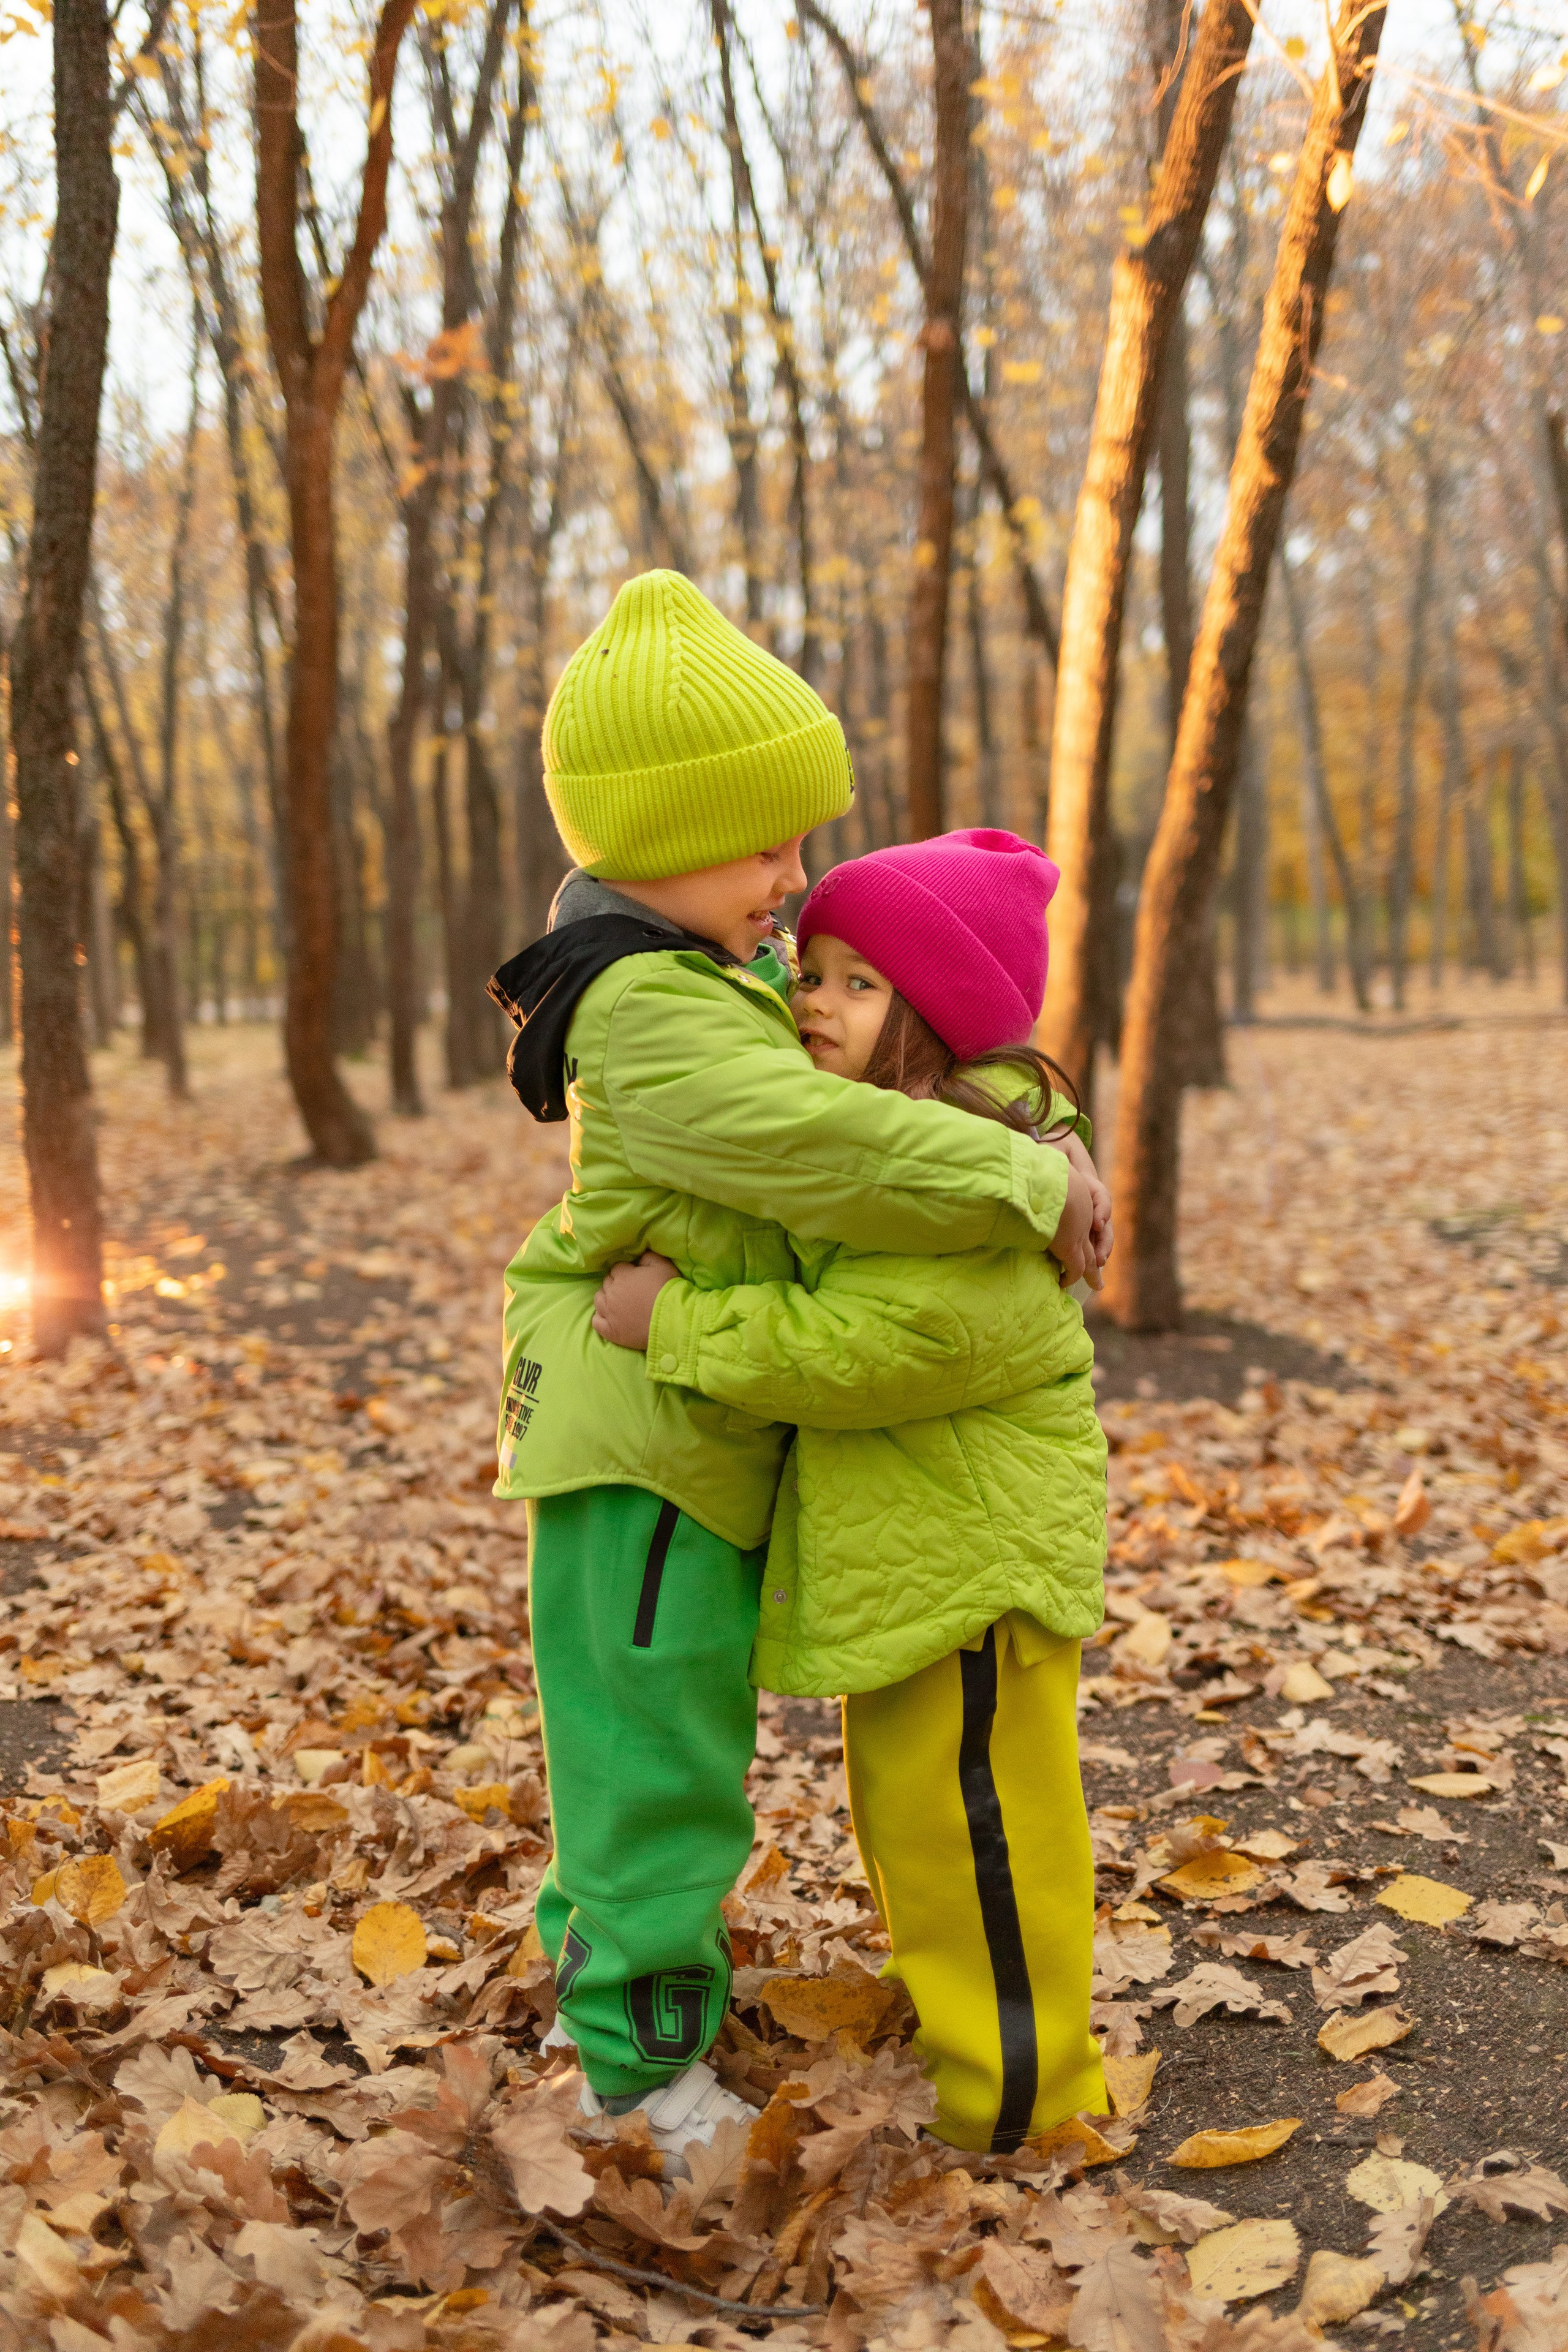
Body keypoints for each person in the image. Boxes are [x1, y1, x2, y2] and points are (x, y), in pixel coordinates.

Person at [488, 573, 1099, 2152]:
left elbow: (918, 1046)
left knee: (659, 1754)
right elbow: (814, 1144)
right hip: (644, 1439)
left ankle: (617, 2004)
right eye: (765, 840)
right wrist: (1033, 1180)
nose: (793, 873)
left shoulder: (706, 974)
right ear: (653, 835)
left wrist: (1023, 1119)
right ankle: (636, 2083)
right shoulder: (641, 1002)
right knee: (654, 1772)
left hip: (696, 1429)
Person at [592, 829, 1110, 2155]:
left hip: (974, 1571)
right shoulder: (898, 1148)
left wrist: (681, 1326)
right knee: (919, 1829)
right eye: (806, 969)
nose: (809, 1000)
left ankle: (1018, 2106)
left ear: (931, 1013)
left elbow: (871, 1355)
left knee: (983, 1845)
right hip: (916, 1567)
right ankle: (967, 2041)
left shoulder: (965, 1181)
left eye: (853, 981)